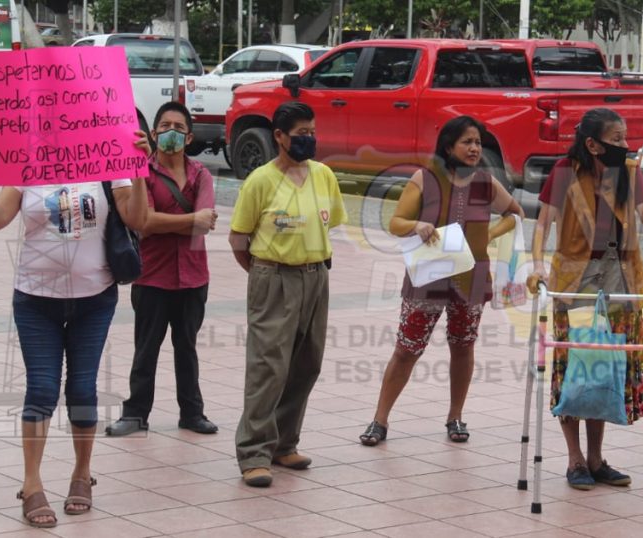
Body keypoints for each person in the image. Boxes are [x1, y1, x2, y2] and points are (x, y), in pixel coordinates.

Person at [0, 133, 150, 527]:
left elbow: (137, 218)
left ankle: (81, 474)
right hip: (35, 298)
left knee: (82, 388)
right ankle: (31, 482)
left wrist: (139, 169)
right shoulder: (28, 159)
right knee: (41, 388)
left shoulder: (107, 155)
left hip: (94, 298)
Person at [526, 107, 643, 491]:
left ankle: (596, 458)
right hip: (576, 278)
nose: (625, 146)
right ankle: (575, 458)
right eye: (617, 139)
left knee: (607, 365)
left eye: (625, 138)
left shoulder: (629, 171)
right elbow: (542, 223)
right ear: (592, 144)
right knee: (577, 363)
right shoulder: (565, 170)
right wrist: (538, 265)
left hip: (622, 277)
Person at [358, 115, 524, 447]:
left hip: (471, 277)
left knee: (463, 347)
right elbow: (395, 222)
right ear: (449, 147)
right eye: (467, 142)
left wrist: (488, 233)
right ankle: (379, 420)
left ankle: (455, 417)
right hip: (428, 277)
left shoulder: (486, 183)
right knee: (406, 350)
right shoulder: (425, 178)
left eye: (478, 142)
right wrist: (416, 225)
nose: (474, 148)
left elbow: (515, 213)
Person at [229, 101, 347, 487]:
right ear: (279, 136)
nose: (308, 140)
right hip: (274, 276)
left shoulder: (323, 175)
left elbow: (332, 224)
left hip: (316, 275)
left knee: (306, 362)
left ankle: (284, 443)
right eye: (300, 134)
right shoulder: (260, 180)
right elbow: (238, 239)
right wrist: (266, 274)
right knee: (268, 366)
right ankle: (253, 453)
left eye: (312, 132)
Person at [105, 102, 219, 437]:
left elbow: (204, 222)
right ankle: (135, 414)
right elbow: (144, 223)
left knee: (187, 348)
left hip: (194, 277)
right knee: (146, 349)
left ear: (189, 137)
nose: (172, 132)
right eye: (165, 126)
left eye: (179, 128)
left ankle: (192, 412)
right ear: (154, 134)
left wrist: (168, 223)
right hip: (152, 276)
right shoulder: (143, 172)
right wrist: (187, 221)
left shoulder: (202, 174)